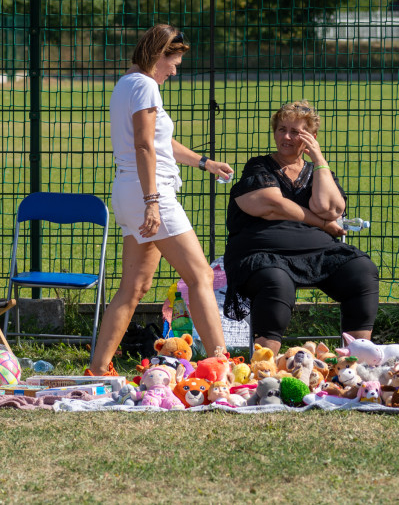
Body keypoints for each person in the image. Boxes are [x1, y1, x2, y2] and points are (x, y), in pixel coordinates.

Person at [86, 24, 234, 375]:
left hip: (127, 191)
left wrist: (204, 162)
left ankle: (97, 368)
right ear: (159, 55)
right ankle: (221, 365)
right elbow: (144, 145)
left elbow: (159, 142)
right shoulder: (146, 86)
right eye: (174, 61)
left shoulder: (127, 84)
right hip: (149, 194)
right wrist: (152, 200)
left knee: (133, 287)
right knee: (200, 277)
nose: (175, 70)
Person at [222, 100, 379, 356]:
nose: (286, 137)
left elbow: (331, 209)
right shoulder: (259, 166)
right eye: (281, 129)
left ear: (311, 137)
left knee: (362, 270)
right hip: (262, 254)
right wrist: (321, 224)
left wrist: (318, 159)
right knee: (276, 282)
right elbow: (275, 205)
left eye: (295, 132)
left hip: (317, 254)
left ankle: (358, 360)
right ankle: (265, 366)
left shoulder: (318, 171)